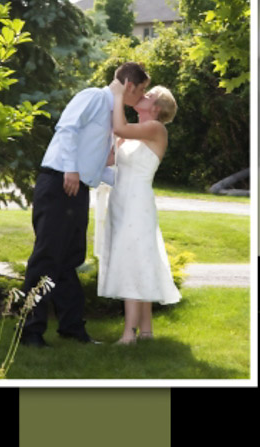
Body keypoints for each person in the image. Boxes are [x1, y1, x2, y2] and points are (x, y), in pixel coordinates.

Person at [21, 62, 149, 347]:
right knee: (46, 258)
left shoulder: (111, 112)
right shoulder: (92, 96)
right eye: (140, 91)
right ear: (129, 85)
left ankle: (72, 328)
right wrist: (70, 170)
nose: (140, 97)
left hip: (77, 188)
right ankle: (29, 332)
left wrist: (131, 183)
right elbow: (66, 129)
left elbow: (95, 164)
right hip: (58, 183)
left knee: (70, 259)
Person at [93, 81, 181, 343]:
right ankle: (146, 332)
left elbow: (119, 127)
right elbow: (109, 157)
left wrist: (118, 95)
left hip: (137, 203)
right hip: (121, 202)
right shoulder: (132, 133)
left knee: (132, 262)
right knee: (139, 261)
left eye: (149, 94)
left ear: (156, 107)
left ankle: (128, 334)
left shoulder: (155, 128)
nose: (143, 95)